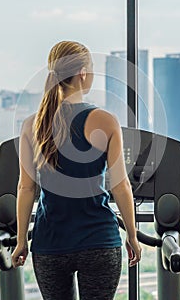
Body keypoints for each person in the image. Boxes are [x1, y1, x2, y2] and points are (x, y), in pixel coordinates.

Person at [12, 41, 141, 300]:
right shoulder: (105, 121)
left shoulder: (31, 125)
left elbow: (26, 188)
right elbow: (120, 185)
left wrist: (21, 240)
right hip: (98, 240)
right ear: (83, 72)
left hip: (49, 244)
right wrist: (132, 235)